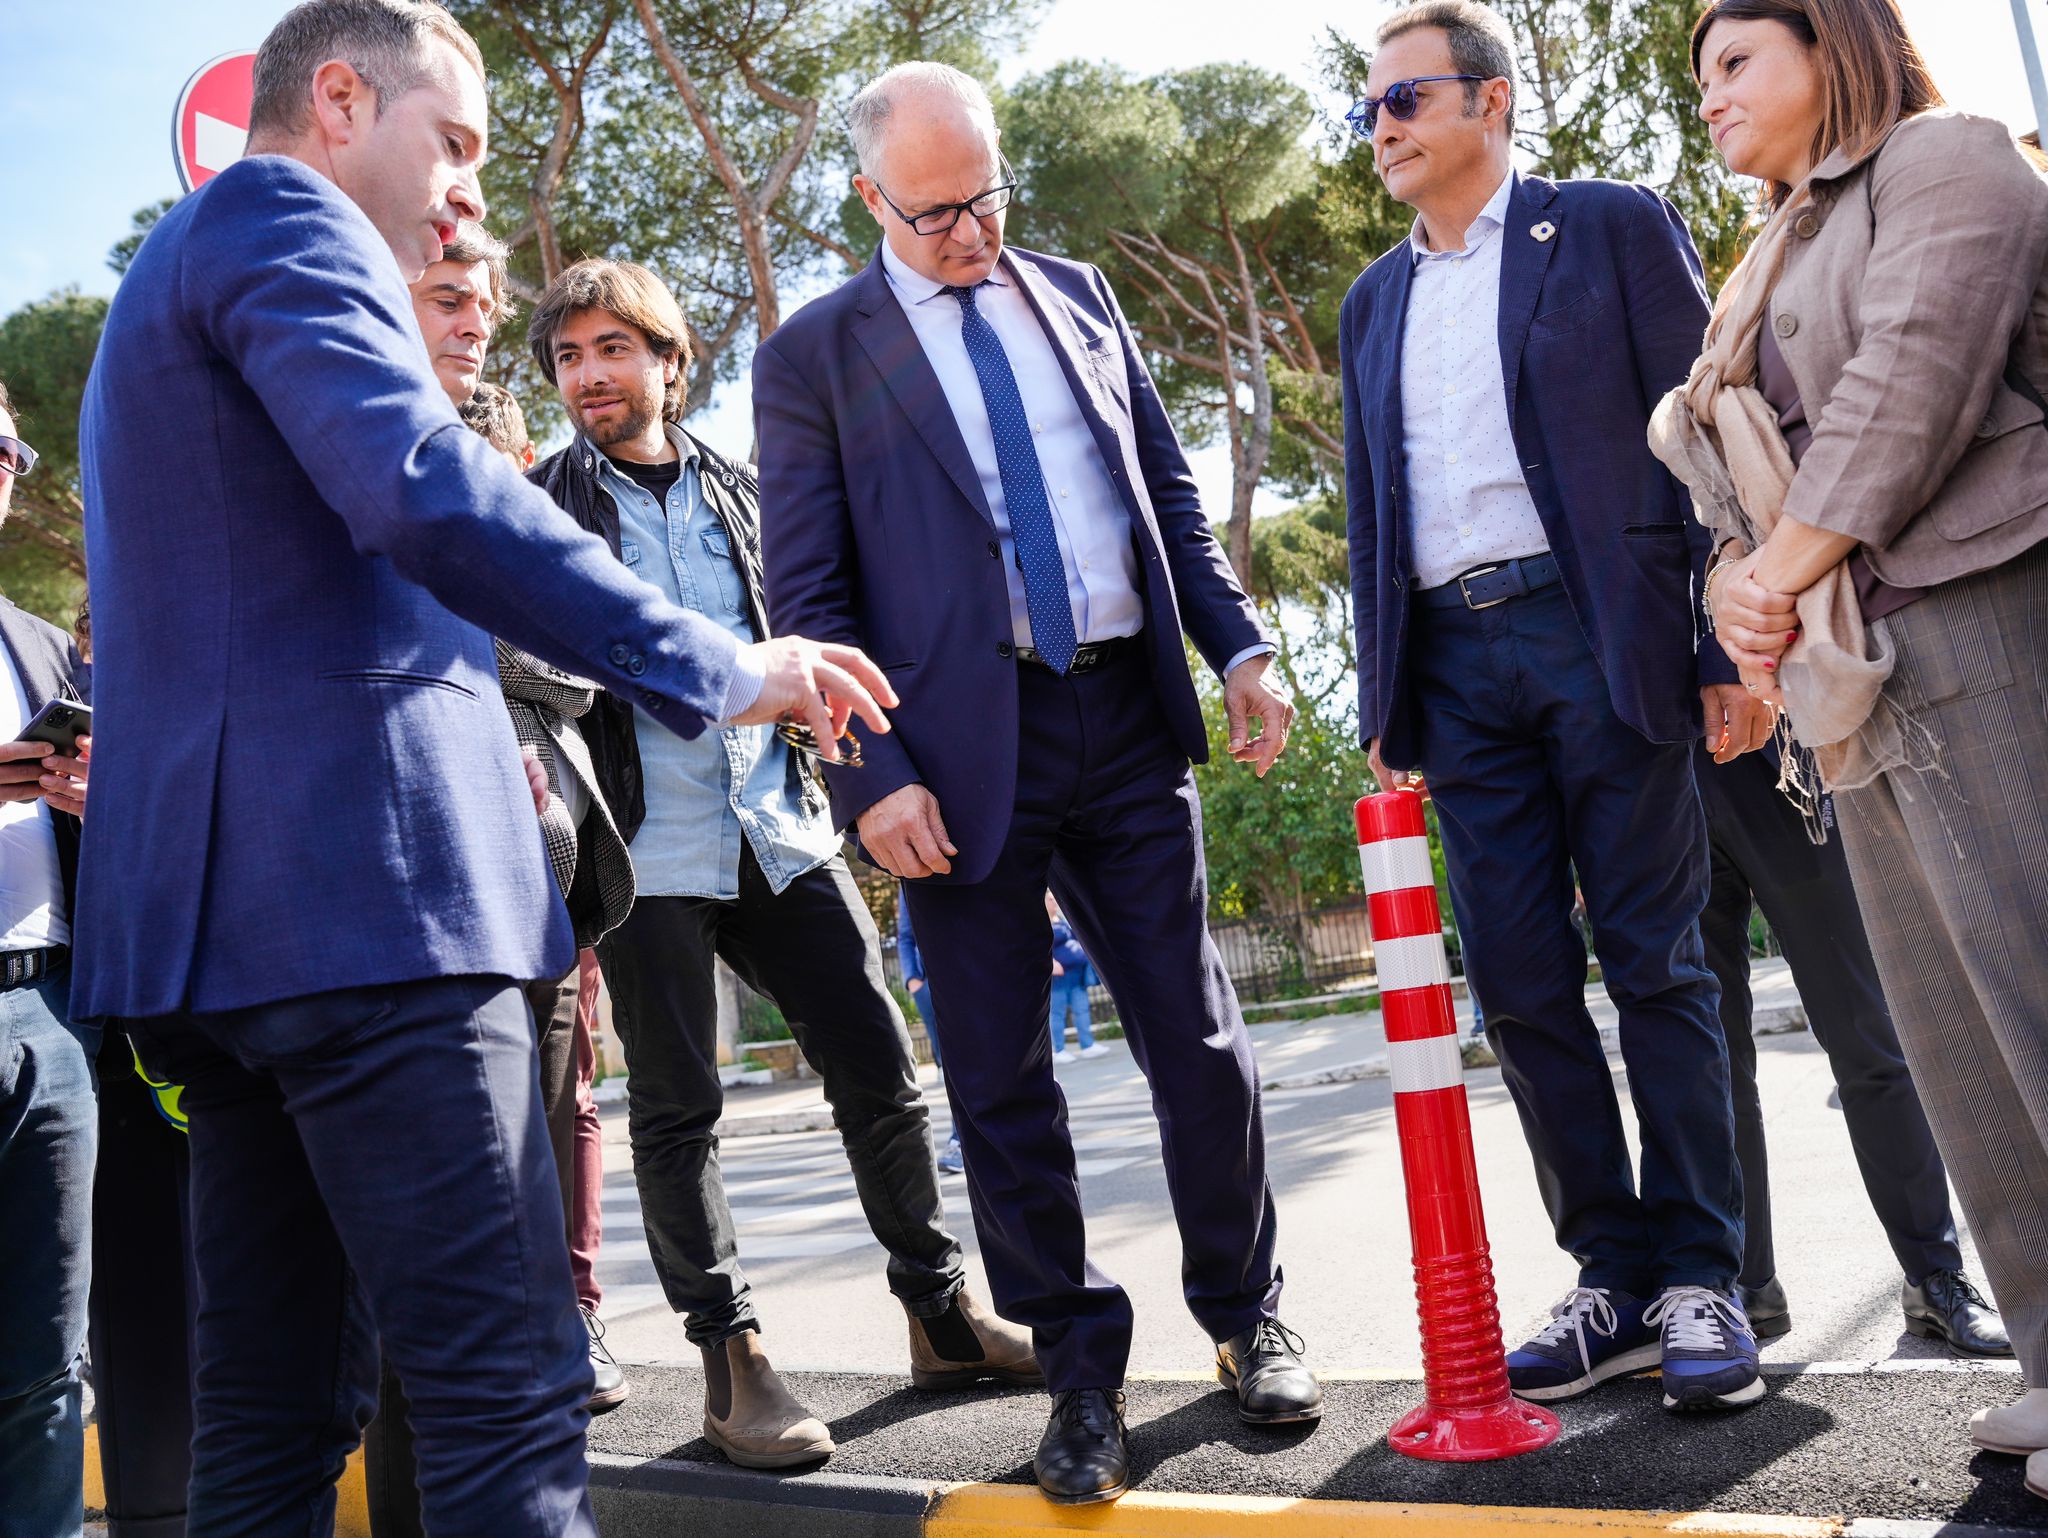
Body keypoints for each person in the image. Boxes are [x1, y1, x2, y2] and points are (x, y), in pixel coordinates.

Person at [74, 4, 895, 1534]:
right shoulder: (280, 219)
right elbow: (419, 483)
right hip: (370, 908)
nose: (463, 189)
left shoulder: (163, 279)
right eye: (450, 142)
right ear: (336, 100)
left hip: (220, 943)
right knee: (503, 1397)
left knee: (272, 1413)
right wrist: (725, 665)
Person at [754, 59, 1322, 1506]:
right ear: (869, 199)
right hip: (951, 757)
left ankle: (1247, 1311)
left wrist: (1242, 648)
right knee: (1001, 1077)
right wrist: (871, 778)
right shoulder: (818, 353)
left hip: (1124, 715)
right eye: (935, 211)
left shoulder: (1074, 290)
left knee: (1196, 1039)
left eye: (987, 196)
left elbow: (1166, 501)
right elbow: (809, 589)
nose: (970, 233)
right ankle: (1079, 1370)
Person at [523, 256, 1038, 1472]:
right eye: (568, 357)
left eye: (613, 348)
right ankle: (730, 1360)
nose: (591, 375)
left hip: (783, 832)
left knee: (880, 1067)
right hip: (641, 851)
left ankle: (939, 1307)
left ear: (668, 359)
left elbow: (816, 626)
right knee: (676, 1108)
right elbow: (541, 666)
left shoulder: (747, 495)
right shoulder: (542, 509)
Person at [1340, 0, 1764, 1414]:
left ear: (1491, 101)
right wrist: (1386, 692)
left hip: (1605, 634)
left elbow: (1713, 434)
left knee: (1657, 965)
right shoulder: (1370, 301)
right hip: (1455, 673)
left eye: (1406, 100)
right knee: (1520, 985)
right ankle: (1613, 1274)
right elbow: (1370, 507)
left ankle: (1705, 1273)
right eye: (1370, 110)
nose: (1382, 127)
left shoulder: (1610, 225)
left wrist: (1724, 642)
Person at [1672, 0, 2048, 1493]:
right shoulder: (1772, 248)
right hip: (1856, 674)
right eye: (1696, 78)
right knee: (1956, 1030)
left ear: (1834, 45)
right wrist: (1740, 586)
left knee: (2032, 977)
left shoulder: (1947, 158)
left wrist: (1776, 573)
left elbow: (1914, 377)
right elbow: (1729, 467)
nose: (1709, 98)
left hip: (1987, 624)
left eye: (1735, 62)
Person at [1698, 743, 2007, 1355]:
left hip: (1774, 754)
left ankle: (1932, 1274)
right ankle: (1742, 1283)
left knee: (1867, 1037)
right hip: (1652, 764)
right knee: (1709, 1065)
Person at [0, 381, 97, 1538]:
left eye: (11, 449)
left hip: (49, 1018)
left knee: (43, 1367)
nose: (3, 463)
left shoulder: (35, 643)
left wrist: (89, 792)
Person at [897, 887, 964, 1174]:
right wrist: (913, 980)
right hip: (932, 986)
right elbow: (905, 934)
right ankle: (961, 1142)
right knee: (952, 1062)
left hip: (979, 971)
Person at [1045, 892, 1104, 1062]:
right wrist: (1051, 963)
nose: (1054, 902)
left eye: (1054, 899)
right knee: (1057, 1012)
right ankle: (1060, 1050)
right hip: (1059, 978)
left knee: (1082, 1008)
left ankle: (1088, 1045)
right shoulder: (1041, 923)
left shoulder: (1060, 920)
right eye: (1049, 899)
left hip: (1076, 974)